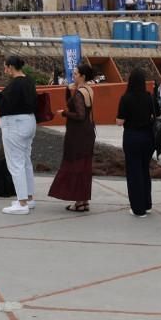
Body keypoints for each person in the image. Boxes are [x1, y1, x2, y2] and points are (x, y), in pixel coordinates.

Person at [0, 55, 38, 214]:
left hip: (15, 125)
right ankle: (28, 198)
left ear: (11, 67)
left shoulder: (15, 84)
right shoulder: (29, 81)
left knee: (16, 163)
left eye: (5, 67)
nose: (5, 70)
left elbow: (5, 103)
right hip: (29, 122)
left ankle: (22, 203)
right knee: (25, 161)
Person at [48, 63, 96, 211]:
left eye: (75, 74)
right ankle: (83, 200)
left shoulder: (80, 92)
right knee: (84, 165)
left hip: (78, 133)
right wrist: (69, 91)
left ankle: (79, 202)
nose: (73, 76)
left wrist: (63, 113)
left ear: (83, 76)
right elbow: (74, 105)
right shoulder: (88, 89)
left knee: (75, 165)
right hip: (87, 131)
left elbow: (79, 115)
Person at [116, 68, 159, 216]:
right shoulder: (149, 97)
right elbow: (158, 115)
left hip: (132, 137)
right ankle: (147, 204)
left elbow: (120, 121)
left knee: (134, 173)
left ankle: (138, 208)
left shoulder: (125, 98)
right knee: (144, 170)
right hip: (148, 138)